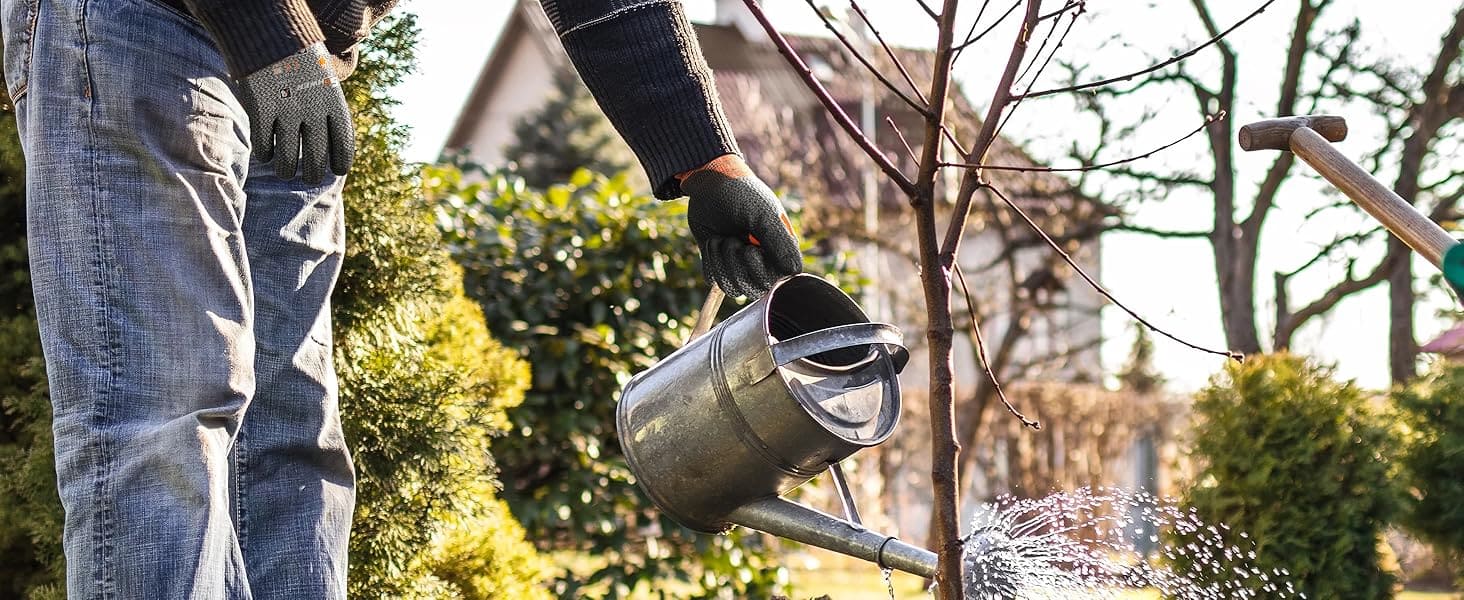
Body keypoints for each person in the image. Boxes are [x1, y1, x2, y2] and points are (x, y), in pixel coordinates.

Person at [0, 0, 802, 597]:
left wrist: (708, 161)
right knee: (167, 417)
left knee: (289, 439)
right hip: (143, 22)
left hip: (303, 56)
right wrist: (272, 38)